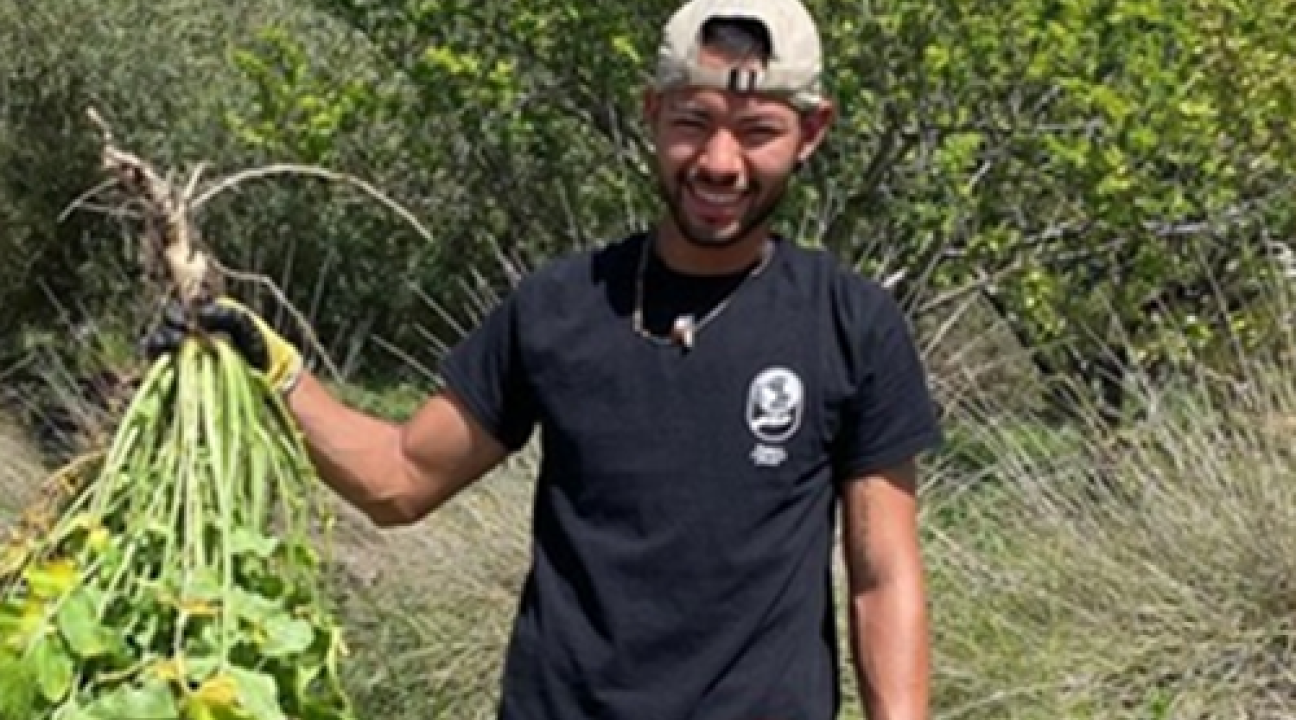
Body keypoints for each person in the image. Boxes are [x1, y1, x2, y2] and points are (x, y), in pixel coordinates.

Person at [149, 0, 943, 717]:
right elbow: (398, 479)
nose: (720, 162)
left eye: (759, 131)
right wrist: (271, 370)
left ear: (813, 132)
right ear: (652, 114)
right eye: (693, 121)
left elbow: (883, 579)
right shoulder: (562, 306)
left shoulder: (849, 323)